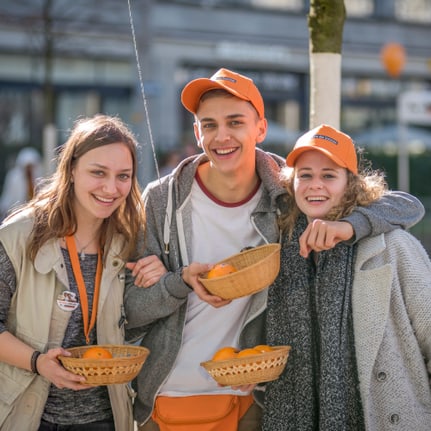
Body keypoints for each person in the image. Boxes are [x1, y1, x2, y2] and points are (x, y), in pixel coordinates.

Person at [123, 68, 425, 431]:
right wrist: (176, 282)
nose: (221, 136)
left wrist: (349, 225)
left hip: (252, 399)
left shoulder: (283, 192)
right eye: (209, 124)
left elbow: (401, 204)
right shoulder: (162, 200)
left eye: (235, 122)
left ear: (260, 129)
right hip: (166, 396)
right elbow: (130, 312)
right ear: (196, 132)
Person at [262, 124, 431, 431]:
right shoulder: (280, 248)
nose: (316, 185)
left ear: (351, 184)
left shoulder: (391, 246)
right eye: (306, 175)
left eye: (329, 175)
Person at [0, 114, 149, 431]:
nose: (111, 188)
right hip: (28, 415)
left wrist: (162, 275)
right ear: (70, 169)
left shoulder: (128, 240)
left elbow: (140, 319)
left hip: (105, 419)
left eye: (124, 176)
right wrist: (38, 362)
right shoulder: (18, 235)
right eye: (98, 173)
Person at [0, 146, 43, 220]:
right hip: (16, 214)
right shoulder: (14, 177)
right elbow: (8, 196)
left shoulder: (40, 177)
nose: (29, 169)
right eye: (27, 166)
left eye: (31, 166)